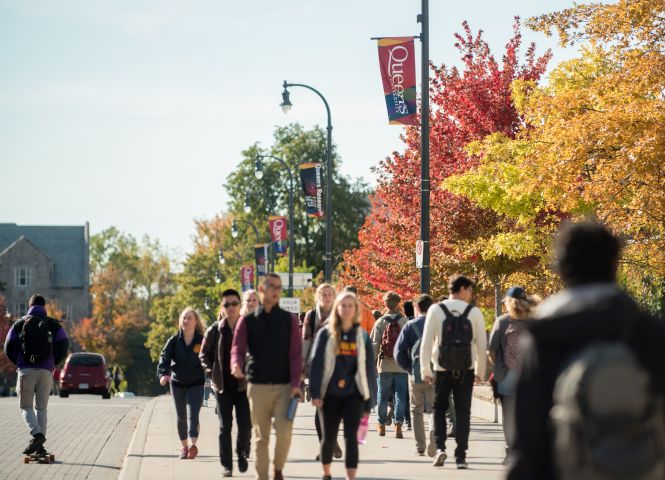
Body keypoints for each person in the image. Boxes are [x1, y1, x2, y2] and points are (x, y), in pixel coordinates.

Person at [509, 222, 665, 480]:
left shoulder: (545, 335)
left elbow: (530, 433)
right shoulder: (649, 331)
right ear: (614, 264)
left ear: (561, 269)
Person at [231, 273, 303, 480]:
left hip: (285, 387)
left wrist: (297, 383)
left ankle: (278, 469)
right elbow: (237, 347)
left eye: (279, 287)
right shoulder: (248, 321)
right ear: (262, 290)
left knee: (284, 432)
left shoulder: (289, 320)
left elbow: (296, 354)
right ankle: (262, 477)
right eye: (272, 286)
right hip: (258, 385)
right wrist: (236, 364)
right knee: (261, 438)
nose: (276, 290)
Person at [420, 275, 487, 469]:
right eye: (470, 290)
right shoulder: (474, 312)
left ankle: (440, 448)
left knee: (439, 409)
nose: (471, 294)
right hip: (466, 369)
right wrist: (480, 372)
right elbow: (481, 346)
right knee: (463, 412)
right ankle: (461, 456)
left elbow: (427, 342)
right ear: (463, 289)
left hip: (442, 368)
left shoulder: (435, 309)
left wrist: (425, 369)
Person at [309, 291, 377, 480]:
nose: (346, 309)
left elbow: (370, 369)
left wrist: (369, 399)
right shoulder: (325, 334)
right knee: (328, 438)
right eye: (343, 305)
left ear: (356, 310)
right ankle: (327, 473)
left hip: (353, 395)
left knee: (351, 440)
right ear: (337, 308)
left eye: (350, 306)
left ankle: (350, 477)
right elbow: (316, 364)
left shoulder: (361, 336)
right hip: (329, 394)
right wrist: (315, 392)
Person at [3, 294, 69, 457]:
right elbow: (64, 344)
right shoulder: (53, 324)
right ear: (43, 307)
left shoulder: (19, 323)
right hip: (46, 371)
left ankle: (36, 435)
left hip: (26, 370)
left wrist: (19, 362)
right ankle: (40, 447)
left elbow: (7, 346)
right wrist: (53, 362)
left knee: (26, 407)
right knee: (42, 408)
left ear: (30, 306)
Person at [200, 289, 251, 477]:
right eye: (226, 304)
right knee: (225, 426)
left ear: (240, 305)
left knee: (245, 425)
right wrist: (210, 371)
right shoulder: (214, 330)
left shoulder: (248, 327)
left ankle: (242, 452)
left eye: (234, 304)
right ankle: (227, 465)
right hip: (222, 386)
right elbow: (203, 354)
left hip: (244, 385)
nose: (230, 307)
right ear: (222, 307)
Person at [489, 286, 540, 465]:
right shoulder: (534, 321)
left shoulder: (502, 321)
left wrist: (498, 367)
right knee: (528, 413)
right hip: (529, 375)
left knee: (509, 415)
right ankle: (526, 451)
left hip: (506, 375)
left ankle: (511, 451)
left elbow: (492, 349)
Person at [157, 307, 206, 460]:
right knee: (181, 417)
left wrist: (211, 371)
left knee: (193, 414)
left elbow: (210, 358)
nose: (186, 321)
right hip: (177, 383)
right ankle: (184, 447)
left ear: (195, 321)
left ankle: (193, 445)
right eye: (184, 318)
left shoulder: (201, 340)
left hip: (196, 383)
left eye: (189, 318)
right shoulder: (174, 340)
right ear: (180, 321)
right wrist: (163, 374)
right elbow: (164, 357)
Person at [302, 283, 342, 460]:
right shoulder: (311, 316)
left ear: (334, 296)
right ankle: (325, 446)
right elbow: (305, 342)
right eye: (323, 295)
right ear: (318, 297)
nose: (326, 297)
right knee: (320, 407)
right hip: (316, 368)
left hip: (339, 367)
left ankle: (331, 441)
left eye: (329, 294)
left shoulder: (341, 314)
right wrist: (303, 369)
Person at [394, 294, 436, 456]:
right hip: (434, 373)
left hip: (416, 373)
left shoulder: (410, 326)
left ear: (416, 308)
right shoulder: (437, 325)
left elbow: (398, 353)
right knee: (434, 409)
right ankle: (434, 440)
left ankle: (420, 445)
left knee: (416, 409)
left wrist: (410, 369)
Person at [370, 291, 408, 438]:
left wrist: (372, 363)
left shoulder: (380, 322)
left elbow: (374, 344)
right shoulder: (404, 321)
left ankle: (381, 425)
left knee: (383, 395)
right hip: (401, 365)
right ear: (398, 303)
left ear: (385, 304)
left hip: (384, 364)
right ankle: (398, 424)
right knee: (400, 396)